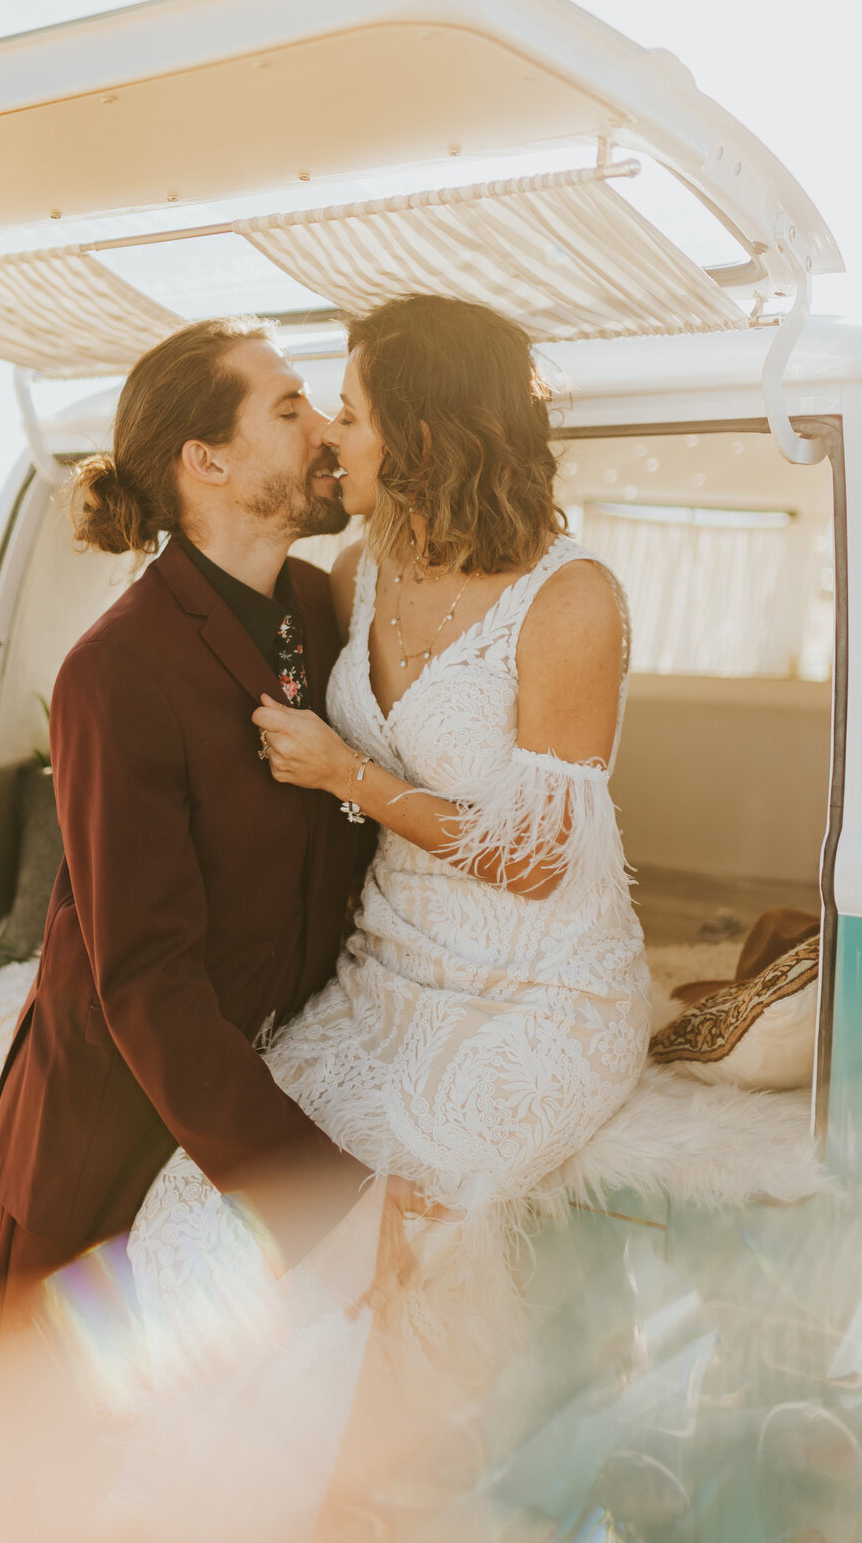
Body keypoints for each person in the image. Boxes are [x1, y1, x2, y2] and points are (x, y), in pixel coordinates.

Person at [119, 293, 651, 1533]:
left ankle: (305, 1508)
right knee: (198, 1211)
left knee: (369, 1247)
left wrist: (347, 776)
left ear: (423, 430)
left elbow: (533, 860)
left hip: (539, 995)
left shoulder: (573, 601)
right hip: (384, 983)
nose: (329, 440)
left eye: (348, 414)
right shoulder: (361, 570)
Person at [0, 316, 373, 1541]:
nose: (324, 432)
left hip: (246, 1097)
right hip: (105, 1149)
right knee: (58, 1495)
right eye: (293, 408)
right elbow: (144, 975)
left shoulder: (315, 605)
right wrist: (313, 1194)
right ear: (208, 459)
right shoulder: (115, 670)